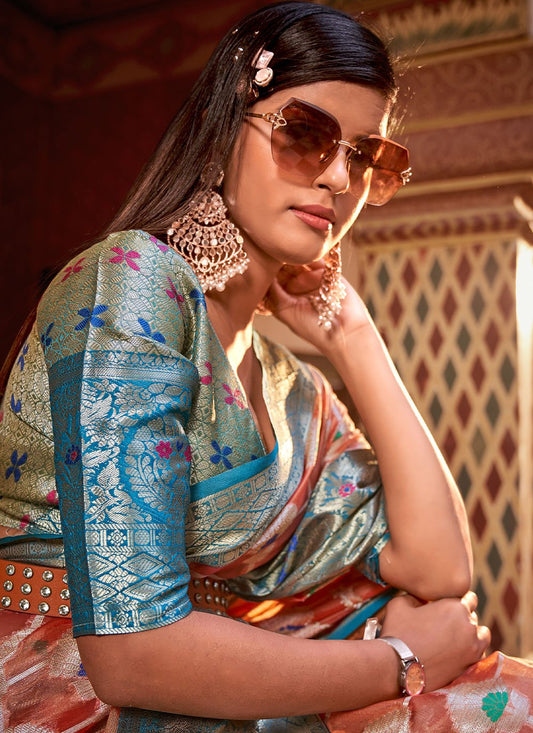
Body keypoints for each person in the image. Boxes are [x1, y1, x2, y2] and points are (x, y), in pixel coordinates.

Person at [0, 2, 531, 731]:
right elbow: (129, 654)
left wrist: (353, 336)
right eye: (305, 135)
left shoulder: (290, 386)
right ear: (222, 134)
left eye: (365, 156)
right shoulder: (128, 278)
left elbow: (437, 571)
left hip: (217, 684)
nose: (338, 178)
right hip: (71, 692)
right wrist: (402, 660)